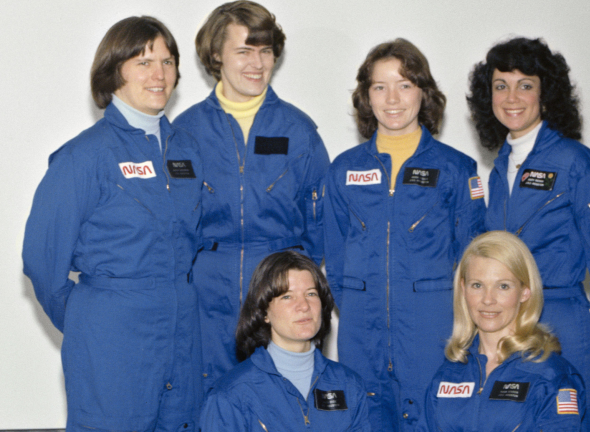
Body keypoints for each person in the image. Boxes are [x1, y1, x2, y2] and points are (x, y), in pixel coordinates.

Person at [22, 16, 203, 432]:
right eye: (143, 62)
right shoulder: (82, 158)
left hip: (182, 332)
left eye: (168, 61)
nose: (159, 74)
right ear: (114, 71)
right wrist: (93, 321)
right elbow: (41, 261)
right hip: (113, 338)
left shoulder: (187, 154)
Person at [467, 36, 590, 431]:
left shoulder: (579, 166)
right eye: (500, 85)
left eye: (525, 85)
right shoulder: (500, 169)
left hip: (563, 326)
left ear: (546, 95)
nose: (512, 97)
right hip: (505, 330)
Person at [323, 39, 486, 432]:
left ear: (423, 93)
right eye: (380, 87)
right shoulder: (343, 170)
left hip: (434, 337)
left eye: (405, 85)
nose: (392, 98)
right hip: (361, 339)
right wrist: (363, 308)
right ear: (366, 96)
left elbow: (475, 259)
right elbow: (336, 258)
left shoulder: (458, 169)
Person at [174, 1, 330, 393]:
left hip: (277, 292)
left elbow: (324, 220)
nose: (257, 63)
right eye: (244, 51)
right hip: (206, 292)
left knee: (280, 397)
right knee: (210, 398)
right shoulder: (185, 132)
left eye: (265, 51)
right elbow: (171, 221)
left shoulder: (299, 129)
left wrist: (296, 288)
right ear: (215, 55)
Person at [423, 231, 585, 431]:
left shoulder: (550, 376)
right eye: (477, 285)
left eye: (503, 286)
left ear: (525, 291)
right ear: (463, 289)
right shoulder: (449, 373)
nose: (488, 299)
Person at [200, 251, 370, 431]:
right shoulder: (231, 395)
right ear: (263, 312)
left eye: (311, 294)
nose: (304, 306)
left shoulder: (349, 384)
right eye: (287, 297)